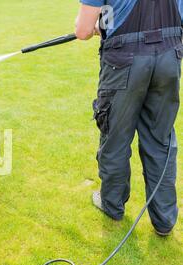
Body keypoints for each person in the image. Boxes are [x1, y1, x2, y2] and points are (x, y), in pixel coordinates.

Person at [75, 0, 183, 236]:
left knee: (115, 137)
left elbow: (83, 30)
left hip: (124, 62)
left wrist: (100, 26)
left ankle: (112, 204)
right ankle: (164, 219)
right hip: (169, 56)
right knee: (160, 140)